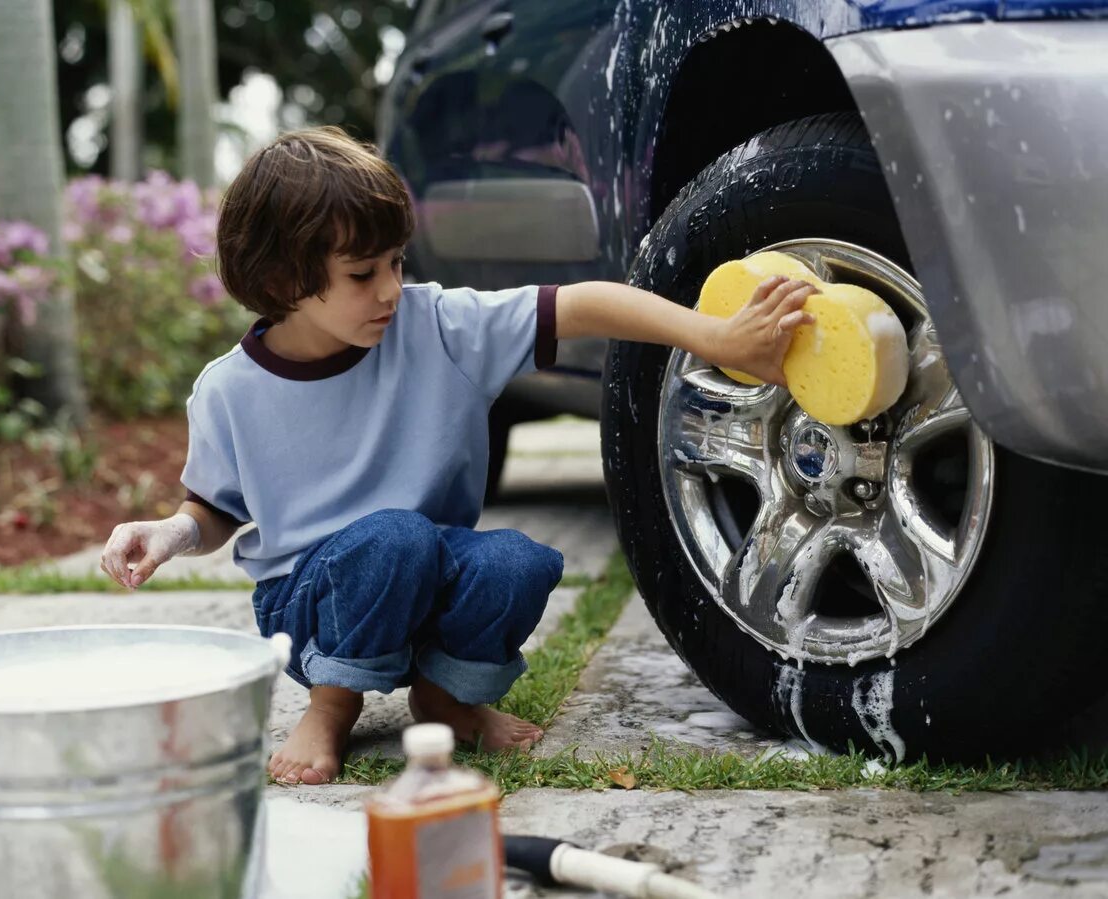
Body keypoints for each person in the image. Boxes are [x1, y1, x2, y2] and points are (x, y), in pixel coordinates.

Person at [99, 127, 815, 786]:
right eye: (361, 274)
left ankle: (445, 697)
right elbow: (215, 509)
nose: (389, 289)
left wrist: (714, 337)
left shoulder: (435, 325)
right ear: (286, 280)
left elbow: (582, 304)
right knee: (394, 537)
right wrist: (170, 532)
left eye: (396, 263)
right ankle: (331, 706)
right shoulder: (230, 391)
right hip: (310, 600)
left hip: (427, 566)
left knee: (516, 561)